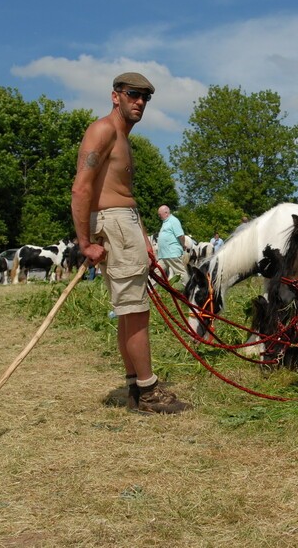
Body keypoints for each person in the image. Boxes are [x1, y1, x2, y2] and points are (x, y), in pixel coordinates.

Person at [71, 72, 190, 415]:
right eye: (133, 94)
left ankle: (135, 386)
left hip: (126, 226)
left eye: (145, 97)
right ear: (115, 96)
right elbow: (81, 188)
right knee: (136, 311)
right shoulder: (104, 130)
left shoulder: (122, 136)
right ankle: (149, 391)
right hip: (115, 226)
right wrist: (85, 242)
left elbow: (124, 196)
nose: (139, 102)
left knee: (129, 311)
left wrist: (143, 240)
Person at [156, 205, 189, 288]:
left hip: (172, 253)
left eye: (160, 214)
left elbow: (181, 235)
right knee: (157, 272)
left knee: (180, 272)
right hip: (164, 255)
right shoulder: (165, 222)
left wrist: (183, 245)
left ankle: (188, 288)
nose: (159, 216)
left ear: (166, 213)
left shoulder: (173, 221)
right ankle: (150, 290)